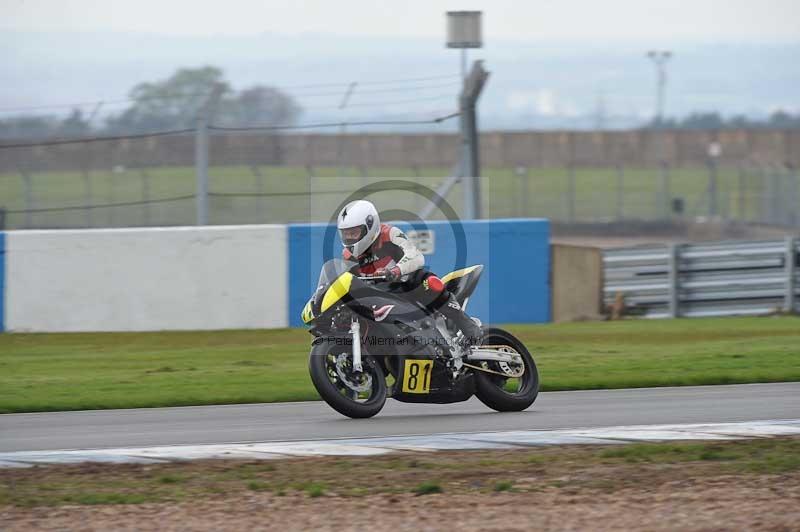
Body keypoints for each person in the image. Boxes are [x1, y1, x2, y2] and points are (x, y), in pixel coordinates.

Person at [337, 199, 482, 344]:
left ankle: (468, 326)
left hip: (406, 286)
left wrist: (395, 271)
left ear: (369, 227)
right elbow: (347, 281)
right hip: (379, 296)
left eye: (353, 233)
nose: (349, 238)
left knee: (428, 282)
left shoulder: (389, 234)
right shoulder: (348, 256)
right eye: (346, 234)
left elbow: (416, 256)